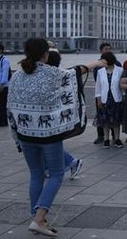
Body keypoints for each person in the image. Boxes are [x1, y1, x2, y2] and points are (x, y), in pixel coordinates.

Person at [7, 38, 104, 236]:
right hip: (48, 135)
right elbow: (77, 71)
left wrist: (16, 133)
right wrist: (98, 63)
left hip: (25, 133)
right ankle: (40, 218)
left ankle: (36, 218)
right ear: (45, 54)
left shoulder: (17, 75)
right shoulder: (53, 73)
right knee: (57, 174)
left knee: (36, 174)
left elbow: (10, 105)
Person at [44, 49, 84, 181]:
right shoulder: (52, 74)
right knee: (46, 144)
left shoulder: (58, 74)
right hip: (49, 115)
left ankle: (72, 162)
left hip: (54, 116)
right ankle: (51, 166)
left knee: (48, 144)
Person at [92, 42, 121, 145]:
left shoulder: (117, 65)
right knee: (103, 118)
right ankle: (102, 137)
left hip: (115, 97)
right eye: (106, 49)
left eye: (109, 49)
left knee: (115, 117)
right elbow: (97, 83)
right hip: (103, 95)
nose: (108, 51)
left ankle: (116, 137)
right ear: (101, 50)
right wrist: (98, 98)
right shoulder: (98, 66)